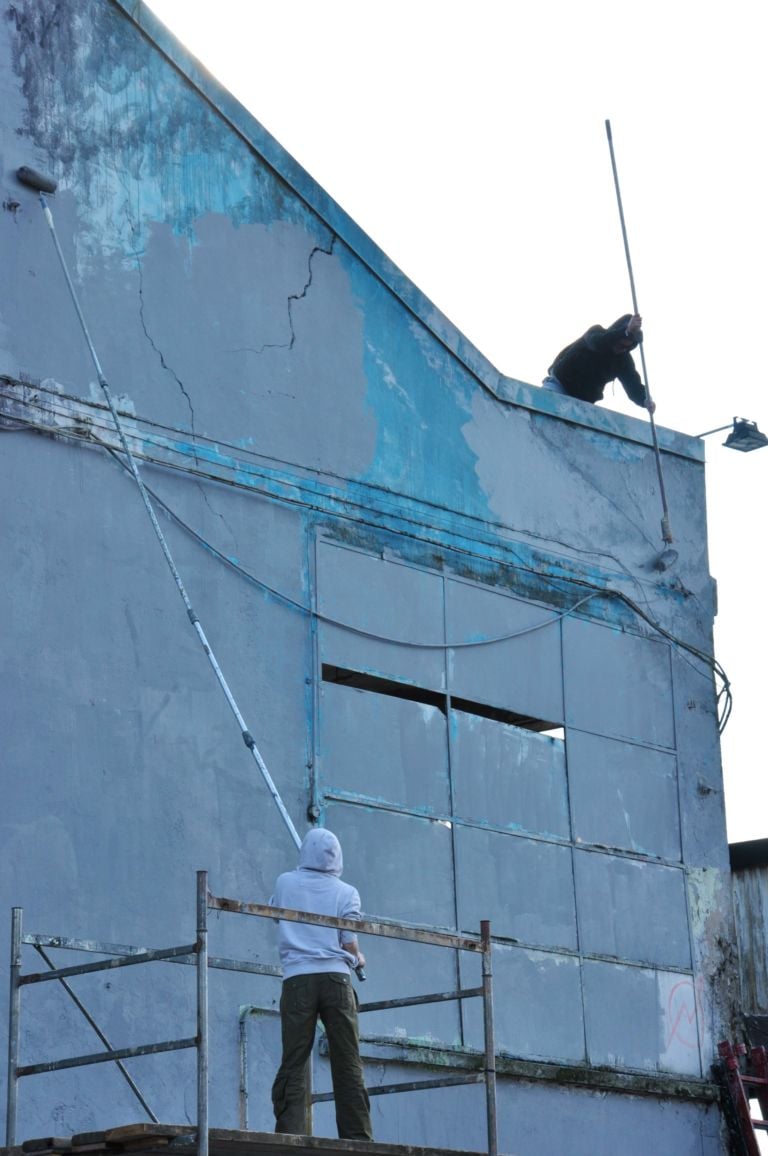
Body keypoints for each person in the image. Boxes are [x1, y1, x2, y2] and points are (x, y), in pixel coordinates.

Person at [270, 828, 372, 1141]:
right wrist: (359, 960)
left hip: (298, 979)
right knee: (347, 1061)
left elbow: (276, 916)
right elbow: (348, 944)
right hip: (336, 979)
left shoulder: (284, 882)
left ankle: (290, 1134)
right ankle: (357, 1137)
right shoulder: (347, 892)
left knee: (295, 1059)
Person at [543, 313, 653, 409]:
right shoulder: (596, 333)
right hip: (559, 385)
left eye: (626, 347)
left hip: (583, 401)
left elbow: (633, 385)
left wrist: (645, 399)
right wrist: (626, 332)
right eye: (620, 344)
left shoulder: (624, 361)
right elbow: (598, 343)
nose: (622, 349)